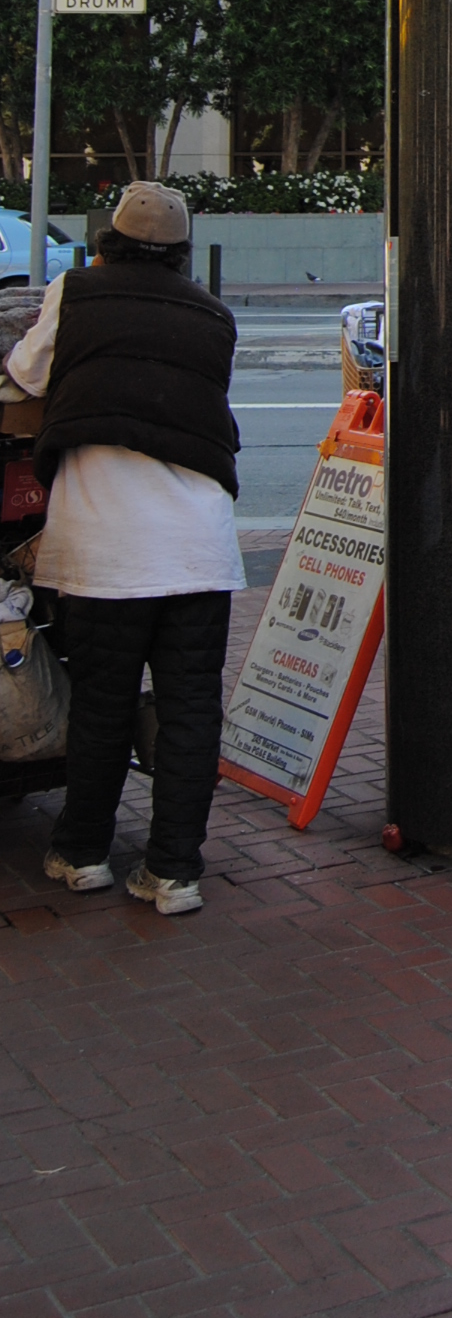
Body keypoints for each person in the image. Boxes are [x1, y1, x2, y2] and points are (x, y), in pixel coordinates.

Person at [1, 183, 241, 915]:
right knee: (190, 708)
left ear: (107, 241)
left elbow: (25, 375)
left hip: (104, 547)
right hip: (200, 546)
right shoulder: (213, 314)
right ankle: (174, 872)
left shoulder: (77, 292)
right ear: (182, 251)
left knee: (102, 705)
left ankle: (82, 855)